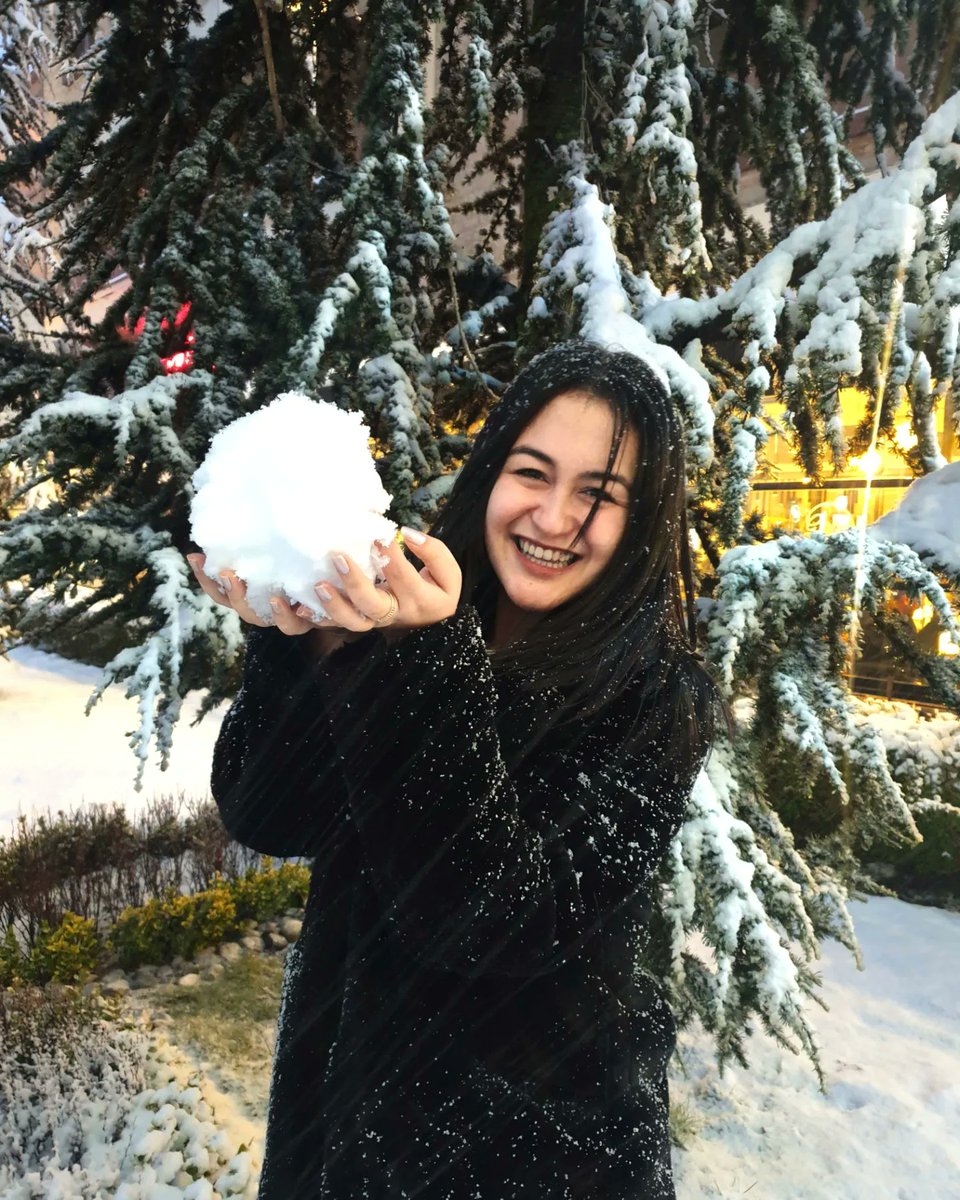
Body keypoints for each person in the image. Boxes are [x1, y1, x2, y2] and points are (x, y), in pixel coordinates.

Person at [188, 340, 721, 1199]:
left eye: (600, 494)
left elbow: (489, 921)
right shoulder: (414, 618)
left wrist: (419, 657)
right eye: (532, 472)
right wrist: (301, 640)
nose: (553, 519)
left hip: (529, 1158)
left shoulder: (653, 706)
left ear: (644, 520)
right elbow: (270, 814)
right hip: (339, 1117)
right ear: (490, 473)